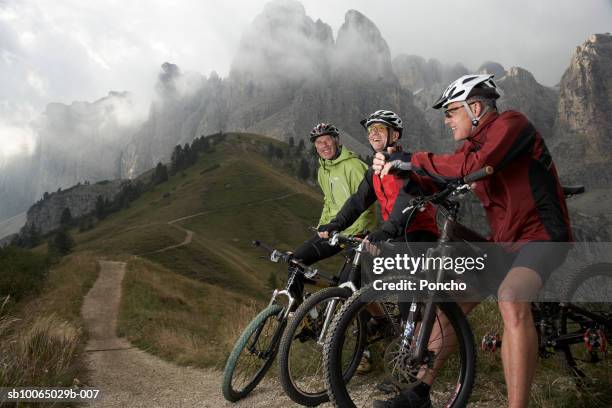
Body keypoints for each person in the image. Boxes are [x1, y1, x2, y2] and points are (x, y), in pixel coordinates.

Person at [372, 74, 572, 408]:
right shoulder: (471, 146)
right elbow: (444, 176)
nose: (446, 120)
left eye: (451, 111)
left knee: (510, 296)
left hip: (543, 235)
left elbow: (475, 166)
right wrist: (401, 170)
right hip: (505, 243)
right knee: (452, 302)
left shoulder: (511, 125)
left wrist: (415, 158)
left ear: (475, 107)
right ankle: (420, 391)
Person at [317, 110, 440, 374]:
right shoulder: (375, 169)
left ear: (394, 135)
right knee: (354, 280)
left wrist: (386, 229)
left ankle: (411, 366)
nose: (373, 134)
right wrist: (336, 223)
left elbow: (406, 200)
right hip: (392, 233)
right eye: (370, 130)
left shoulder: (405, 163)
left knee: (408, 297)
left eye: (379, 129)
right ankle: (371, 337)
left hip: (418, 235)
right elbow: (358, 201)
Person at [289, 123, 376, 302]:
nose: (324, 145)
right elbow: (329, 203)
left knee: (349, 289)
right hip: (333, 231)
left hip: (354, 233)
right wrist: (323, 227)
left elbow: (365, 204)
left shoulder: (354, 166)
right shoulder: (323, 171)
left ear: (336, 140)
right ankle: (296, 316)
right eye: (319, 142)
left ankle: (365, 321)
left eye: (327, 140)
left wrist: (354, 233)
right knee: (295, 260)